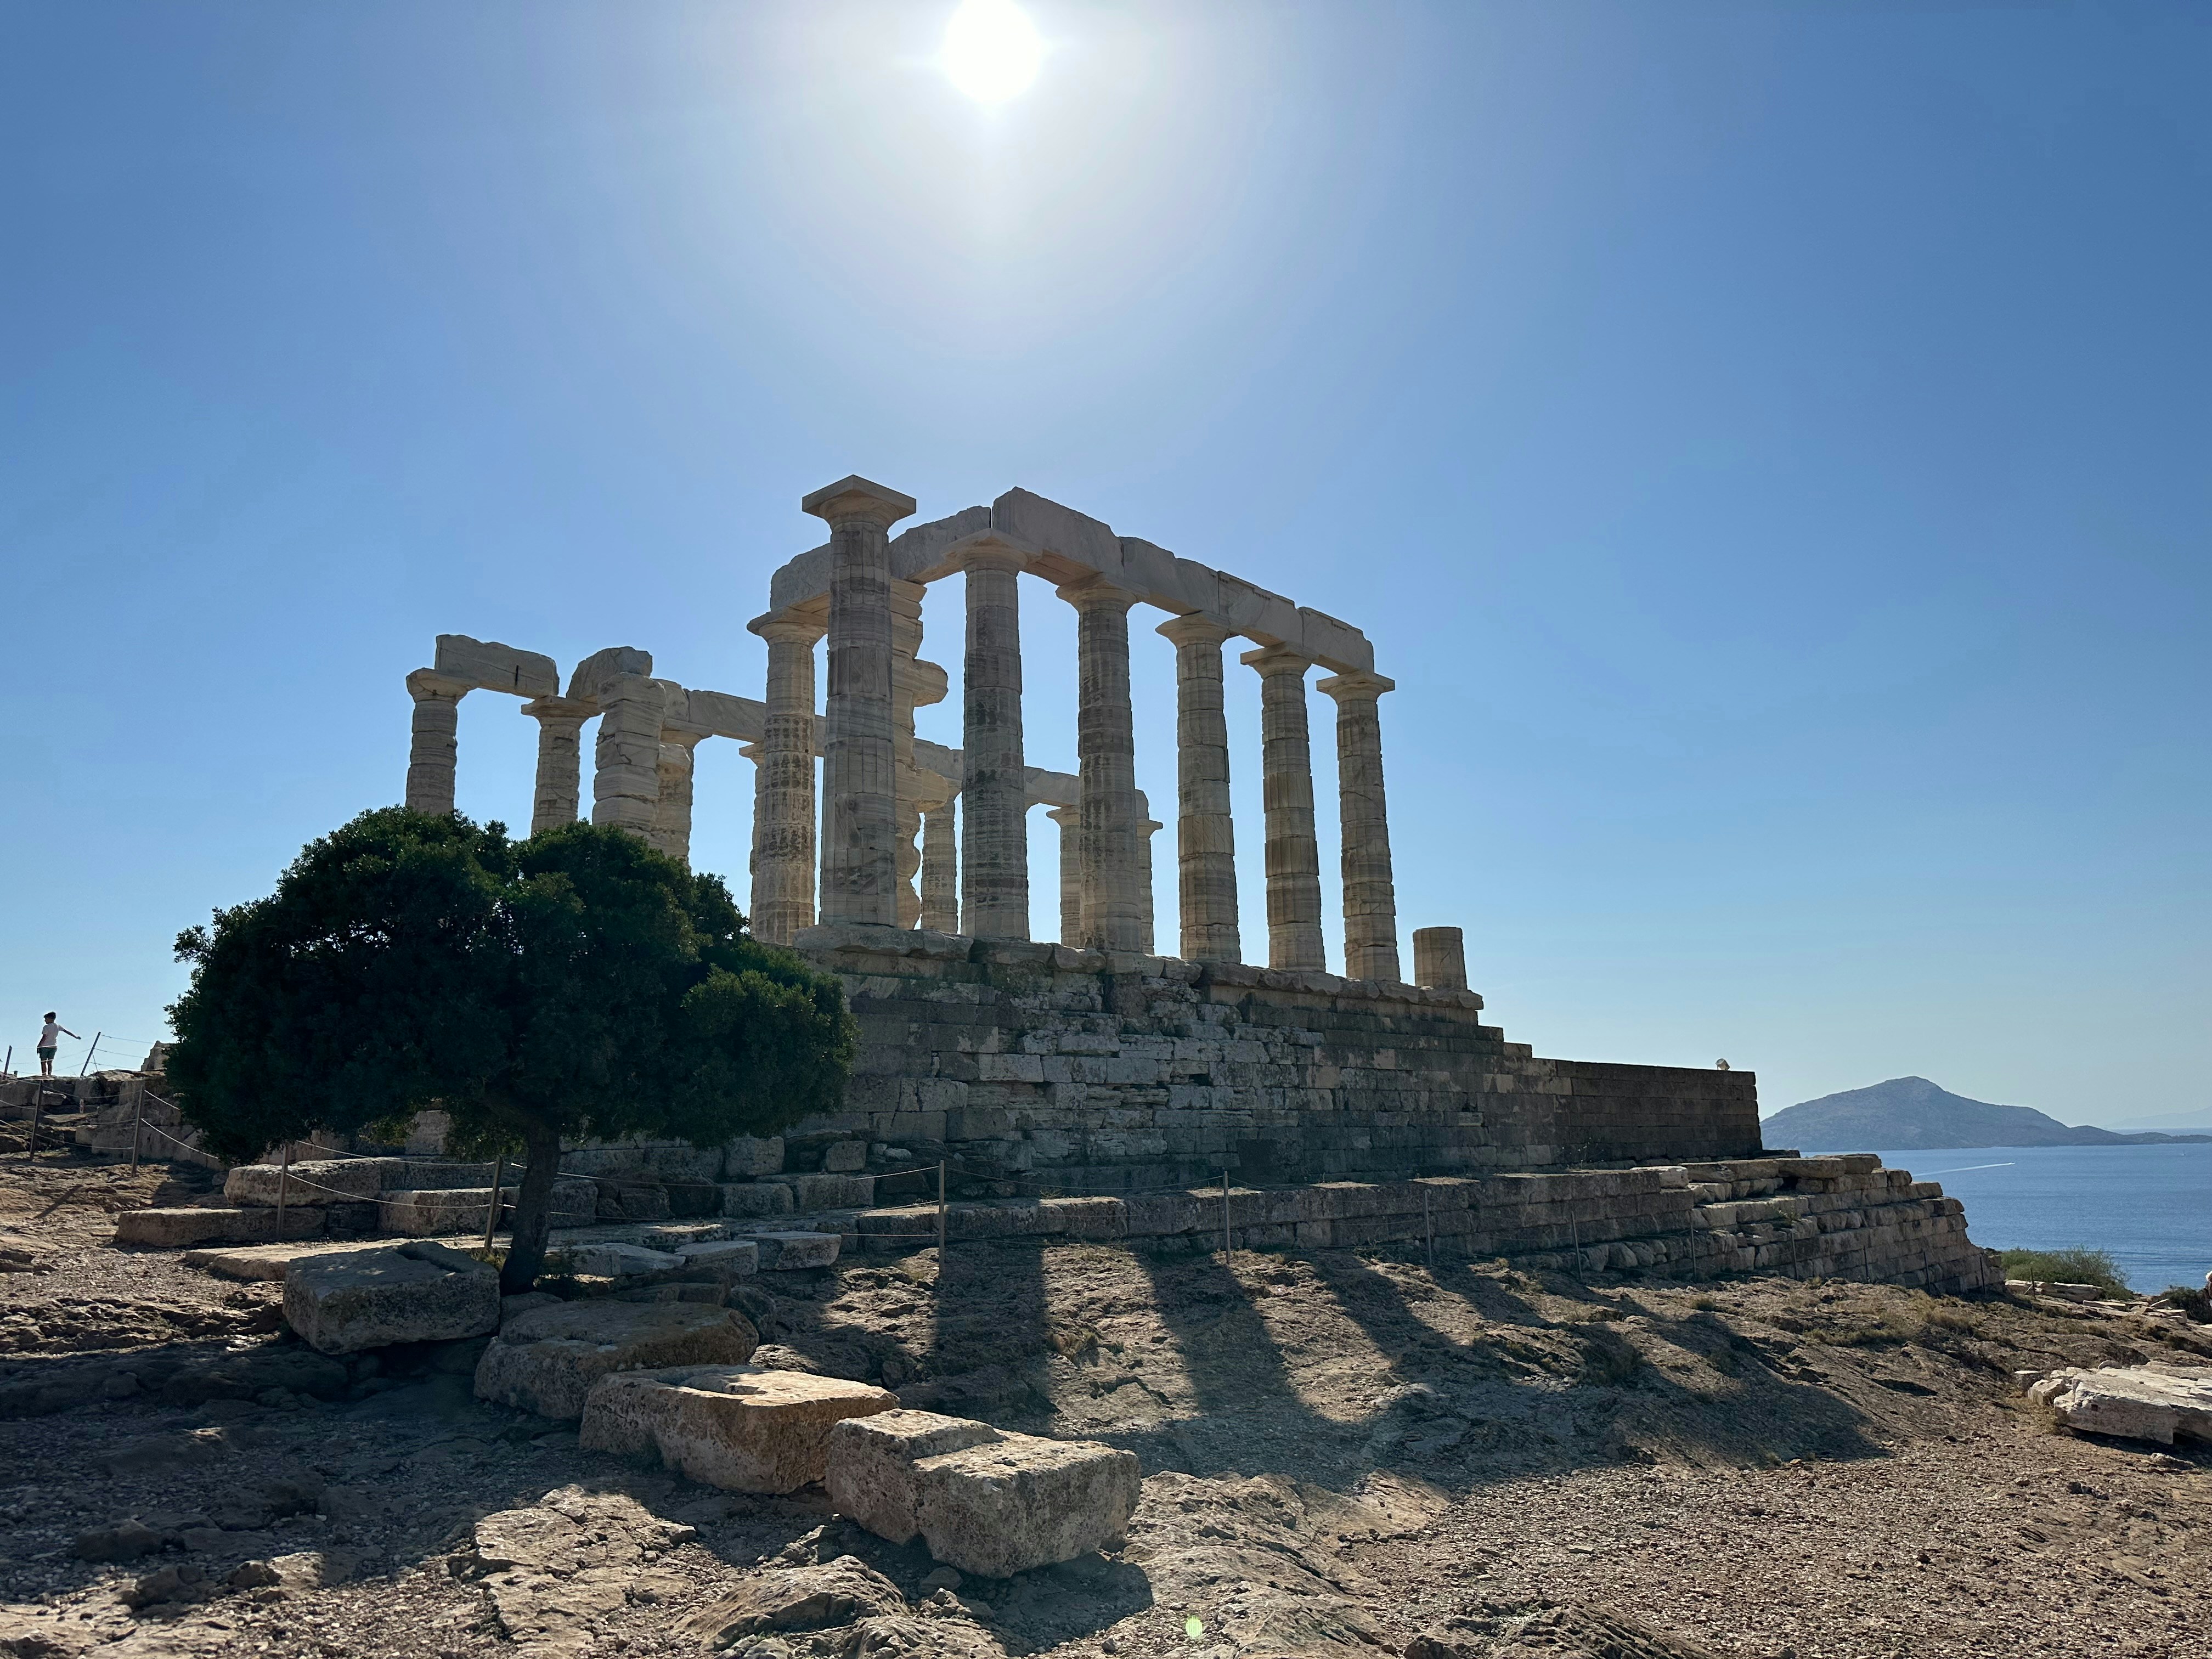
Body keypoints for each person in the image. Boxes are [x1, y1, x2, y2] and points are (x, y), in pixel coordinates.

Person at [36, 1013, 76, 1078]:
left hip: (45, 1047)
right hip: (53, 1046)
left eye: (46, 1019)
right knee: (50, 1062)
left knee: (43, 1061)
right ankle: (49, 1075)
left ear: (50, 1019)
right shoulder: (58, 1026)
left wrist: (39, 1046)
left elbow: (44, 1037)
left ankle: (44, 1075)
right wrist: (75, 1037)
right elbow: (67, 1032)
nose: (45, 1021)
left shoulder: (46, 1027)